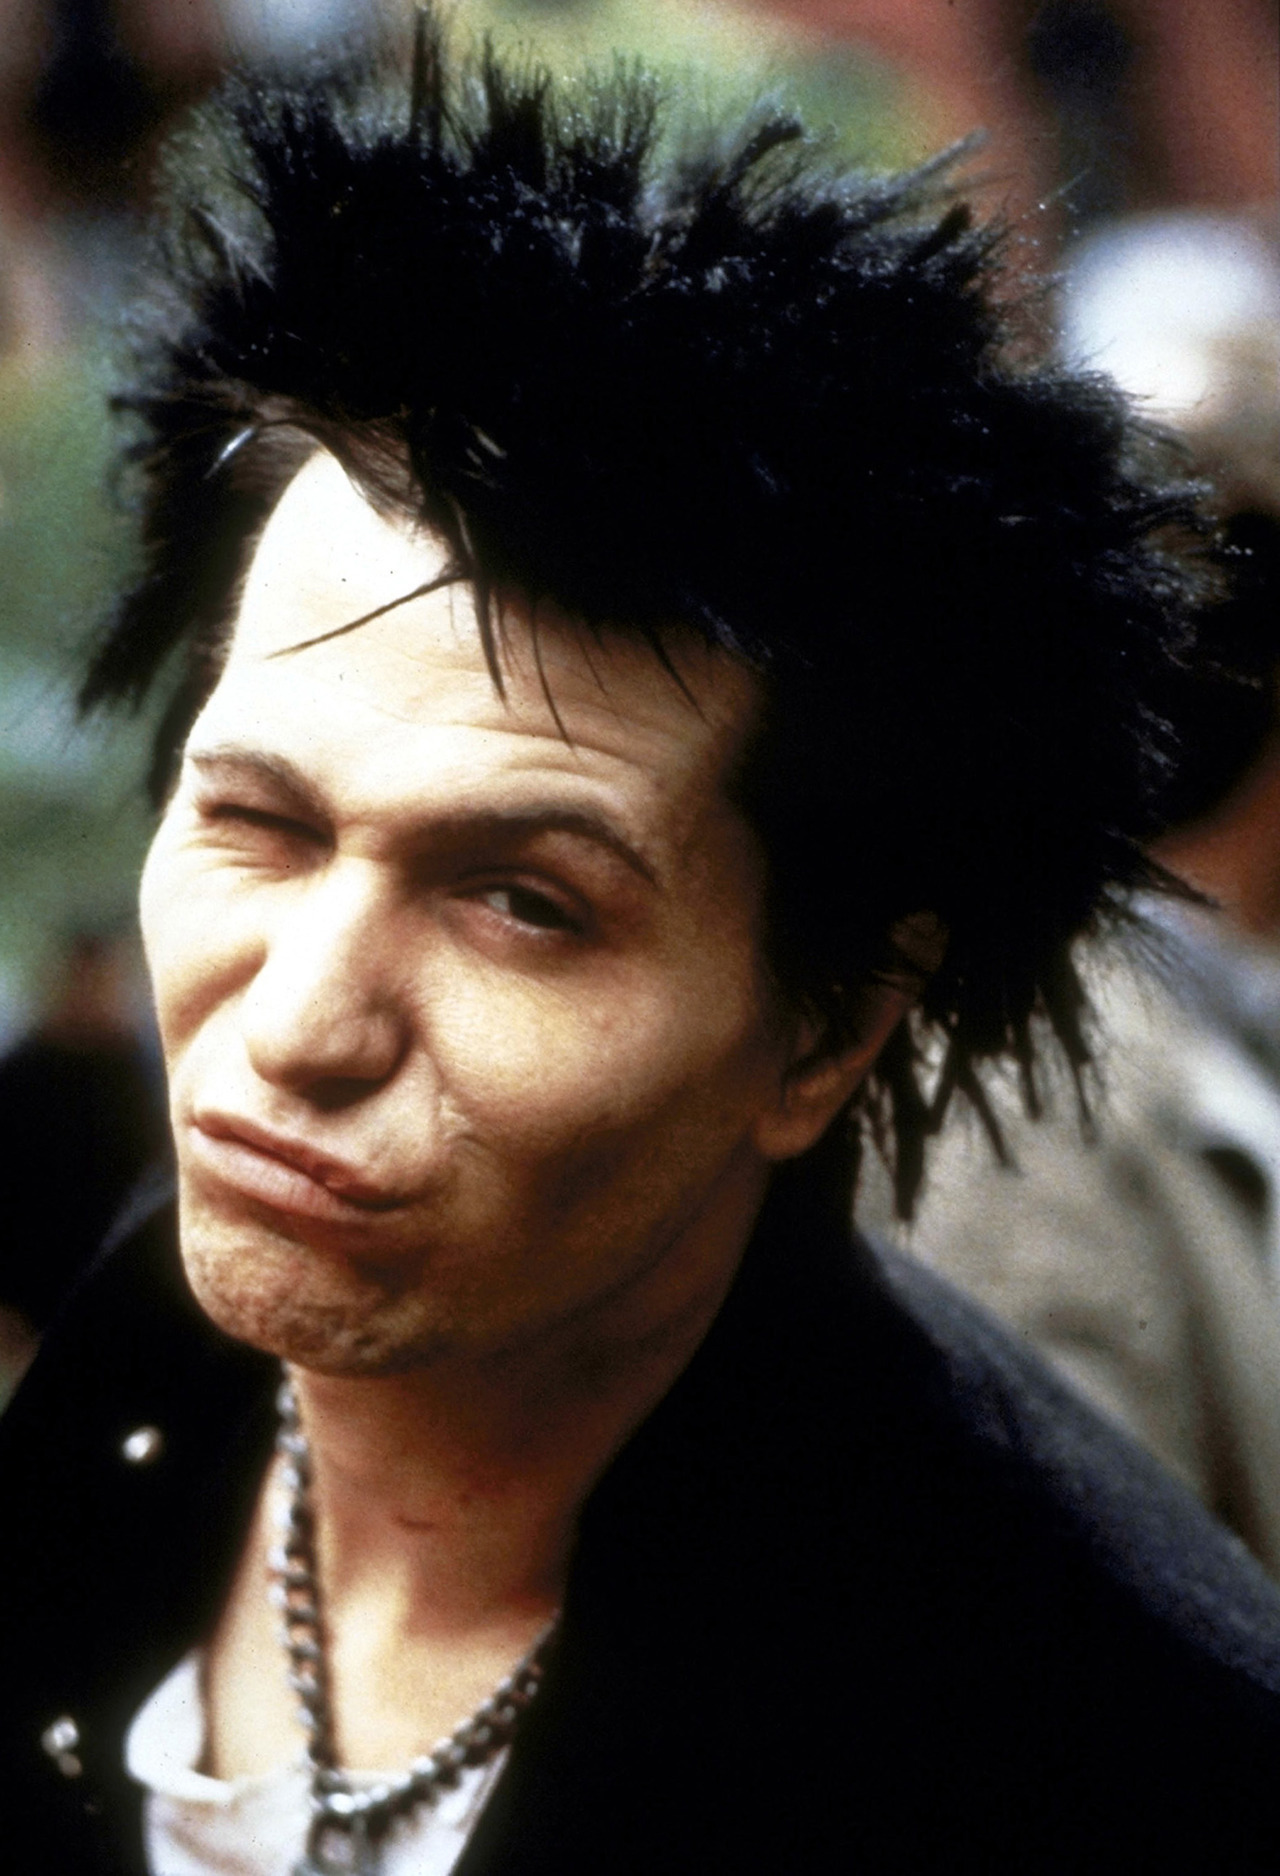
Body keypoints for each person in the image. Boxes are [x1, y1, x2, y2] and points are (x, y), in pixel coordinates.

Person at [2, 17, 1278, 1872]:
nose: (295, 1024)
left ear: (828, 1030)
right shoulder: (150, 1355)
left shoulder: (1097, 1756)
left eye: (523, 903)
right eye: (257, 821)